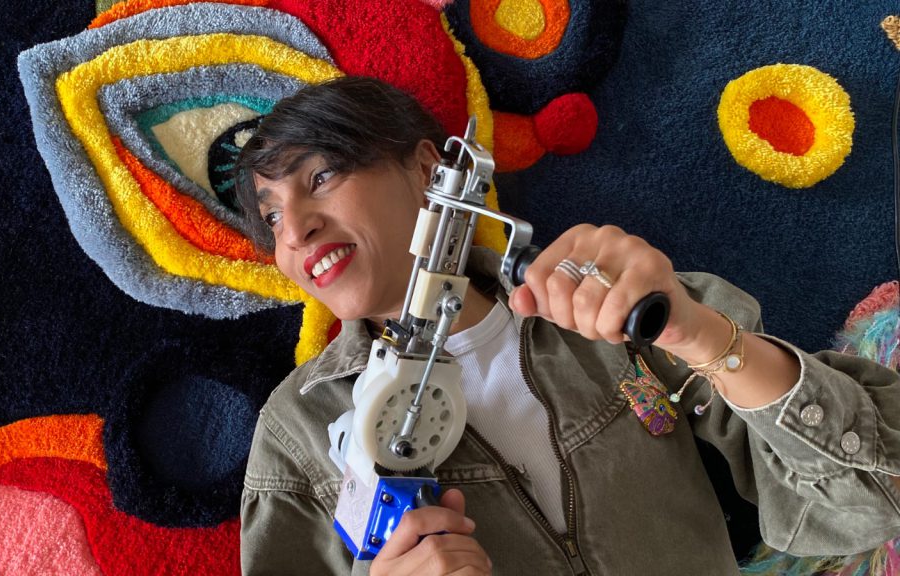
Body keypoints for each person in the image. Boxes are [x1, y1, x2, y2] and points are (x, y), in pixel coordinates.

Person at [233, 76, 900, 575]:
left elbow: (870, 497)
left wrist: (695, 332)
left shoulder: (611, 307)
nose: (294, 230)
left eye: (322, 176)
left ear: (431, 169)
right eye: (270, 216)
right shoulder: (299, 432)